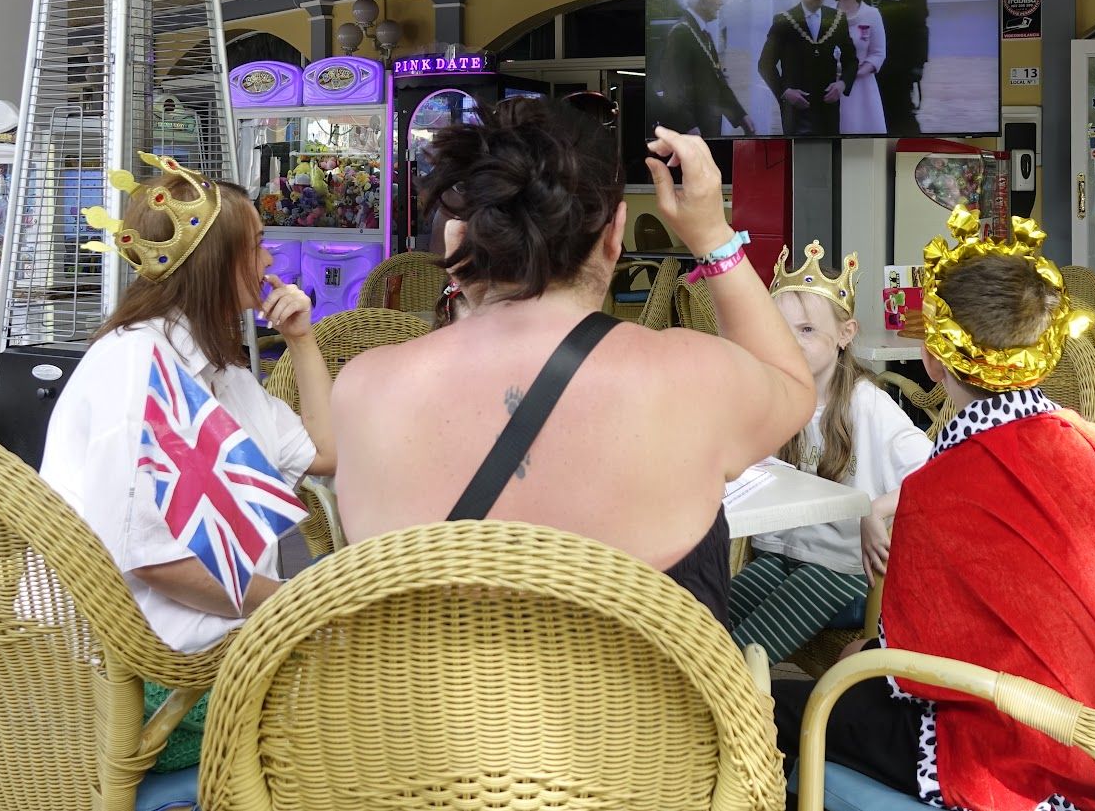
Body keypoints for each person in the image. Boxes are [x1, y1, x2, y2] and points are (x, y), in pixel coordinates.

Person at [331, 102, 815, 623]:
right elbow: (792, 384)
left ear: (468, 238)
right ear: (615, 233)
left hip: (427, 704)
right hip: (646, 704)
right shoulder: (692, 378)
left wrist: (463, 285)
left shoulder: (365, 389)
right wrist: (712, 237)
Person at [773, 213, 1095, 811]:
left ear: (934, 362)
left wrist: (864, 654)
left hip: (1022, 754)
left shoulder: (943, 490)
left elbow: (909, 666)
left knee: (778, 707)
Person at [41, 153, 335, 769]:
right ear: (214, 264)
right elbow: (156, 565)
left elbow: (325, 453)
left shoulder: (216, 370)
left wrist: (305, 340)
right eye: (256, 246)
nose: (270, 262)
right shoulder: (136, 367)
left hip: (206, 657)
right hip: (146, 683)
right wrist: (294, 603)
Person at [727, 241, 930, 664]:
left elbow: (938, 471)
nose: (790, 343)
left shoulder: (866, 404)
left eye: (806, 330)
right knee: (710, 617)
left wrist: (873, 510)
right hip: (782, 555)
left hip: (844, 573)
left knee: (746, 649)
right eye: (780, 330)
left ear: (845, 334)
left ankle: (728, 713)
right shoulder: (774, 396)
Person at [757, 0, 859, 137]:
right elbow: (764, 64)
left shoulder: (837, 18)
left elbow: (852, 61)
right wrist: (785, 92)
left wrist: (842, 84)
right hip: (797, 107)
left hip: (828, 106)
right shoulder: (784, 21)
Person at [654, 0, 756, 137]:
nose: (721, 3)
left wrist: (740, 115)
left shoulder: (702, 34)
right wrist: (688, 126)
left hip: (705, 128)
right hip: (693, 131)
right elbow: (672, 86)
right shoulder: (681, 32)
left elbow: (717, 81)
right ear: (703, 1)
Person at [863, 0, 929, 135]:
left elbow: (919, 25)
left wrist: (918, 65)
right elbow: (867, 6)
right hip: (878, 58)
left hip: (900, 61)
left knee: (901, 111)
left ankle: (914, 146)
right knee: (881, 110)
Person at [832, 0, 887, 135]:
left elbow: (878, 53)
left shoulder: (872, 14)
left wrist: (854, 74)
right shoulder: (826, 16)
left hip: (862, 87)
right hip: (832, 86)